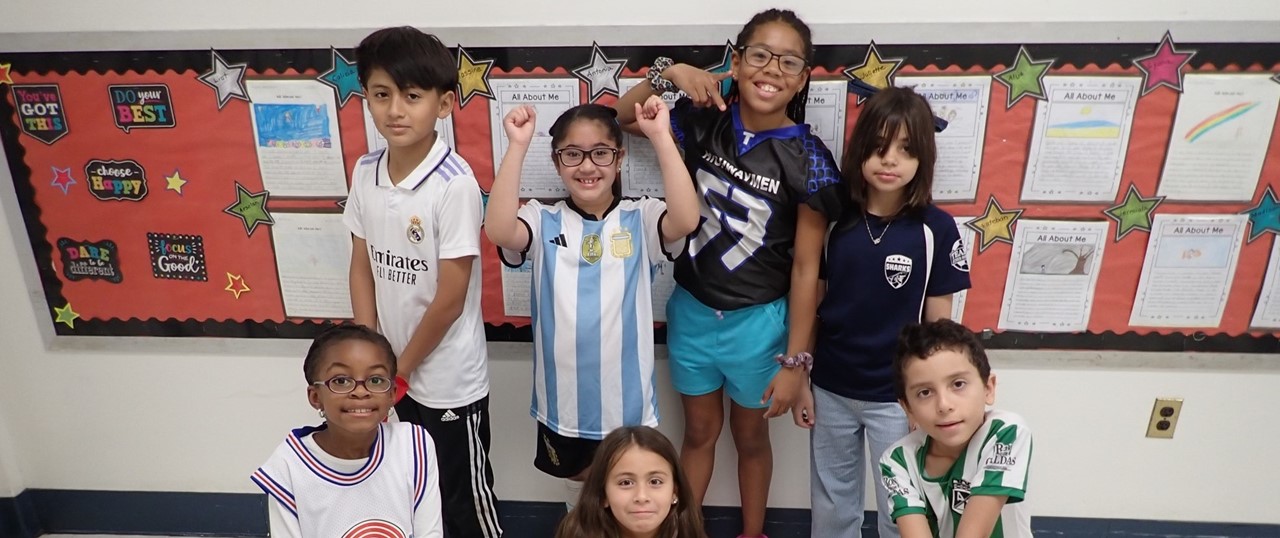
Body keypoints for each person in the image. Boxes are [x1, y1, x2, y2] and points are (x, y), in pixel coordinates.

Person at [613, 9, 845, 537]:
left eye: (789, 61)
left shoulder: (808, 158)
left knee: (751, 438)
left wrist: (796, 362)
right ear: (736, 62)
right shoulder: (704, 119)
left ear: (804, 76)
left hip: (759, 324)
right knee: (697, 433)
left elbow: (809, 268)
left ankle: (752, 531)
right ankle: (686, 530)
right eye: (760, 54)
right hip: (693, 310)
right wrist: (669, 73)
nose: (772, 69)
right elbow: (624, 118)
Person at [487, 99, 699, 507]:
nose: (587, 166)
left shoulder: (641, 218)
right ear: (557, 162)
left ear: (619, 159)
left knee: (626, 490)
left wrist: (659, 136)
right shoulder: (541, 219)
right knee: (580, 493)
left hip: (628, 402)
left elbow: (687, 219)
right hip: (562, 401)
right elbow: (498, 228)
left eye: (601, 153)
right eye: (573, 155)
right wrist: (517, 146)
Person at [343, 26, 500, 538]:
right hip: (389, 376)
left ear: (444, 103)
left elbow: (449, 300)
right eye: (381, 95)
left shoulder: (454, 184)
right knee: (403, 489)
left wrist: (397, 373)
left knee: (462, 501)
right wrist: (369, 357)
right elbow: (362, 262)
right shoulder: (366, 171)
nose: (395, 110)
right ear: (365, 96)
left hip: (446, 379)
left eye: (412, 96)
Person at [808, 86, 971, 538]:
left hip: (897, 398)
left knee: (902, 503)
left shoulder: (935, 228)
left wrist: (929, 397)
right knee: (832, 501)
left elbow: (940, 332)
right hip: (831, 388)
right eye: (878, 148)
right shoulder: (834, 221)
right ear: (860, 151)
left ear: (923, 158)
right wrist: (802, 376)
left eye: (904, 149)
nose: (889, 160)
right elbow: (812, 301)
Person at [251, 325, 442, 537]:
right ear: (315, 397)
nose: (360, 391)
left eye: (376, 380)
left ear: (392, 394)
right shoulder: (288, 466)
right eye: (341, 381)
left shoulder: (414, 445)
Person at [880, 319, 1033, 538]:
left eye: (958, 384)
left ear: (988, 388)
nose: (944, 405)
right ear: (907, 408)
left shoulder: (1005, 432)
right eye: (925, 392)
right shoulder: (898, 460)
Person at [555, 426, 708, 538]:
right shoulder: (577, 532)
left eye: (655, 481)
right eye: (626, 483)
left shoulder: (688, 531)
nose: (641, 497)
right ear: (603, 494)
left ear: (675, 491)